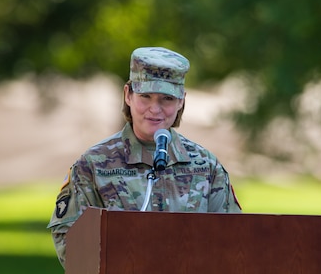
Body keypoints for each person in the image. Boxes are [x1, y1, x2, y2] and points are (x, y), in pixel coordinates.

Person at [47, 46, 242, 268]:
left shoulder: (205, 166)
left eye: (167, 99)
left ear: (181, 101)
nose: (155, 109)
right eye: (145, 96)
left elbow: (233, 239)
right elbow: (69, 241)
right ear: (128, 95)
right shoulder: (94, 165)